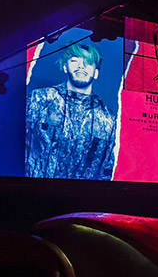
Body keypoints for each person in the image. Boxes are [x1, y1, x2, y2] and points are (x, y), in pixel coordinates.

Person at [24, 44, 117, 179]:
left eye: (88, 62)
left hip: (84, 192)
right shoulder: (40, 100)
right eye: (74, 61)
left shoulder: (108, 120)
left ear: (96, 73)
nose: (81, 66)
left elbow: (107, 170)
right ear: (65, 67)